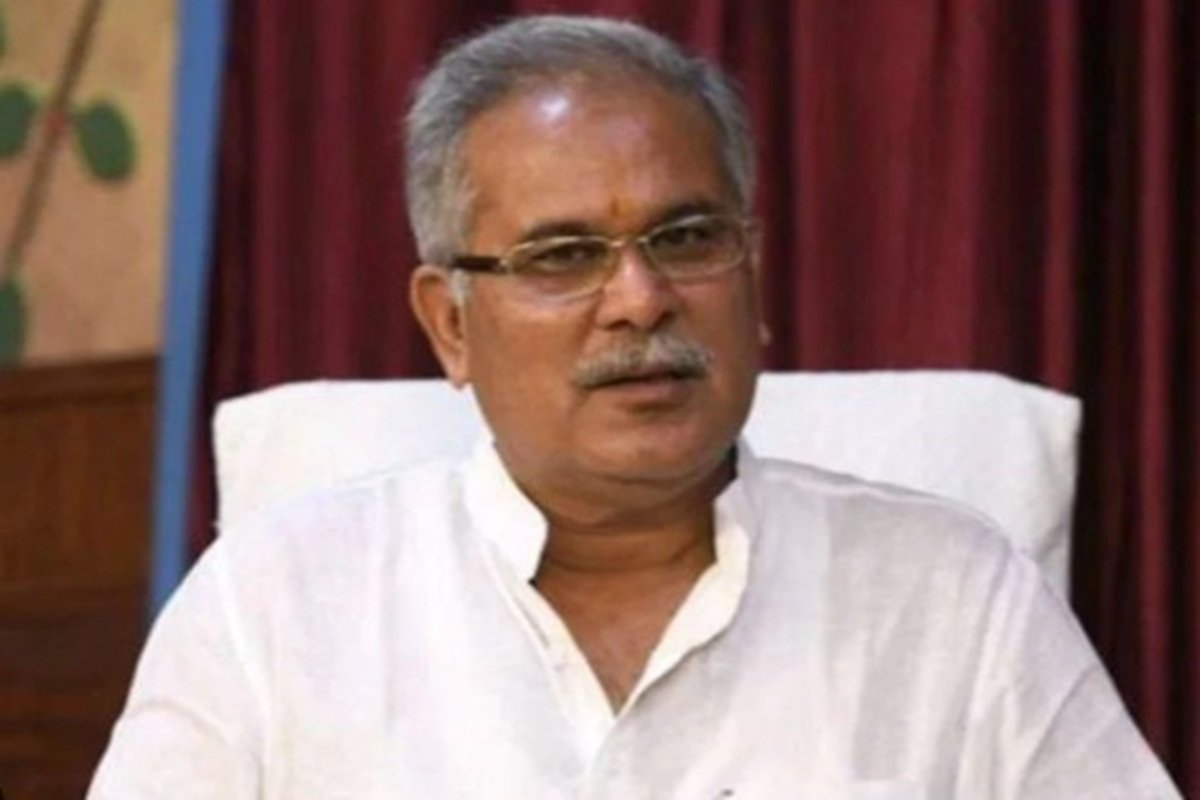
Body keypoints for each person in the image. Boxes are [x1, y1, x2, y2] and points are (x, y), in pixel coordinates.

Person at [89, 15, 1181, 799]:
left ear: (752, 277)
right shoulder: (274, 607)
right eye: (563, 255)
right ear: (450, 324)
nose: (641, 297)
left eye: (688, 237)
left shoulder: (950, 595)